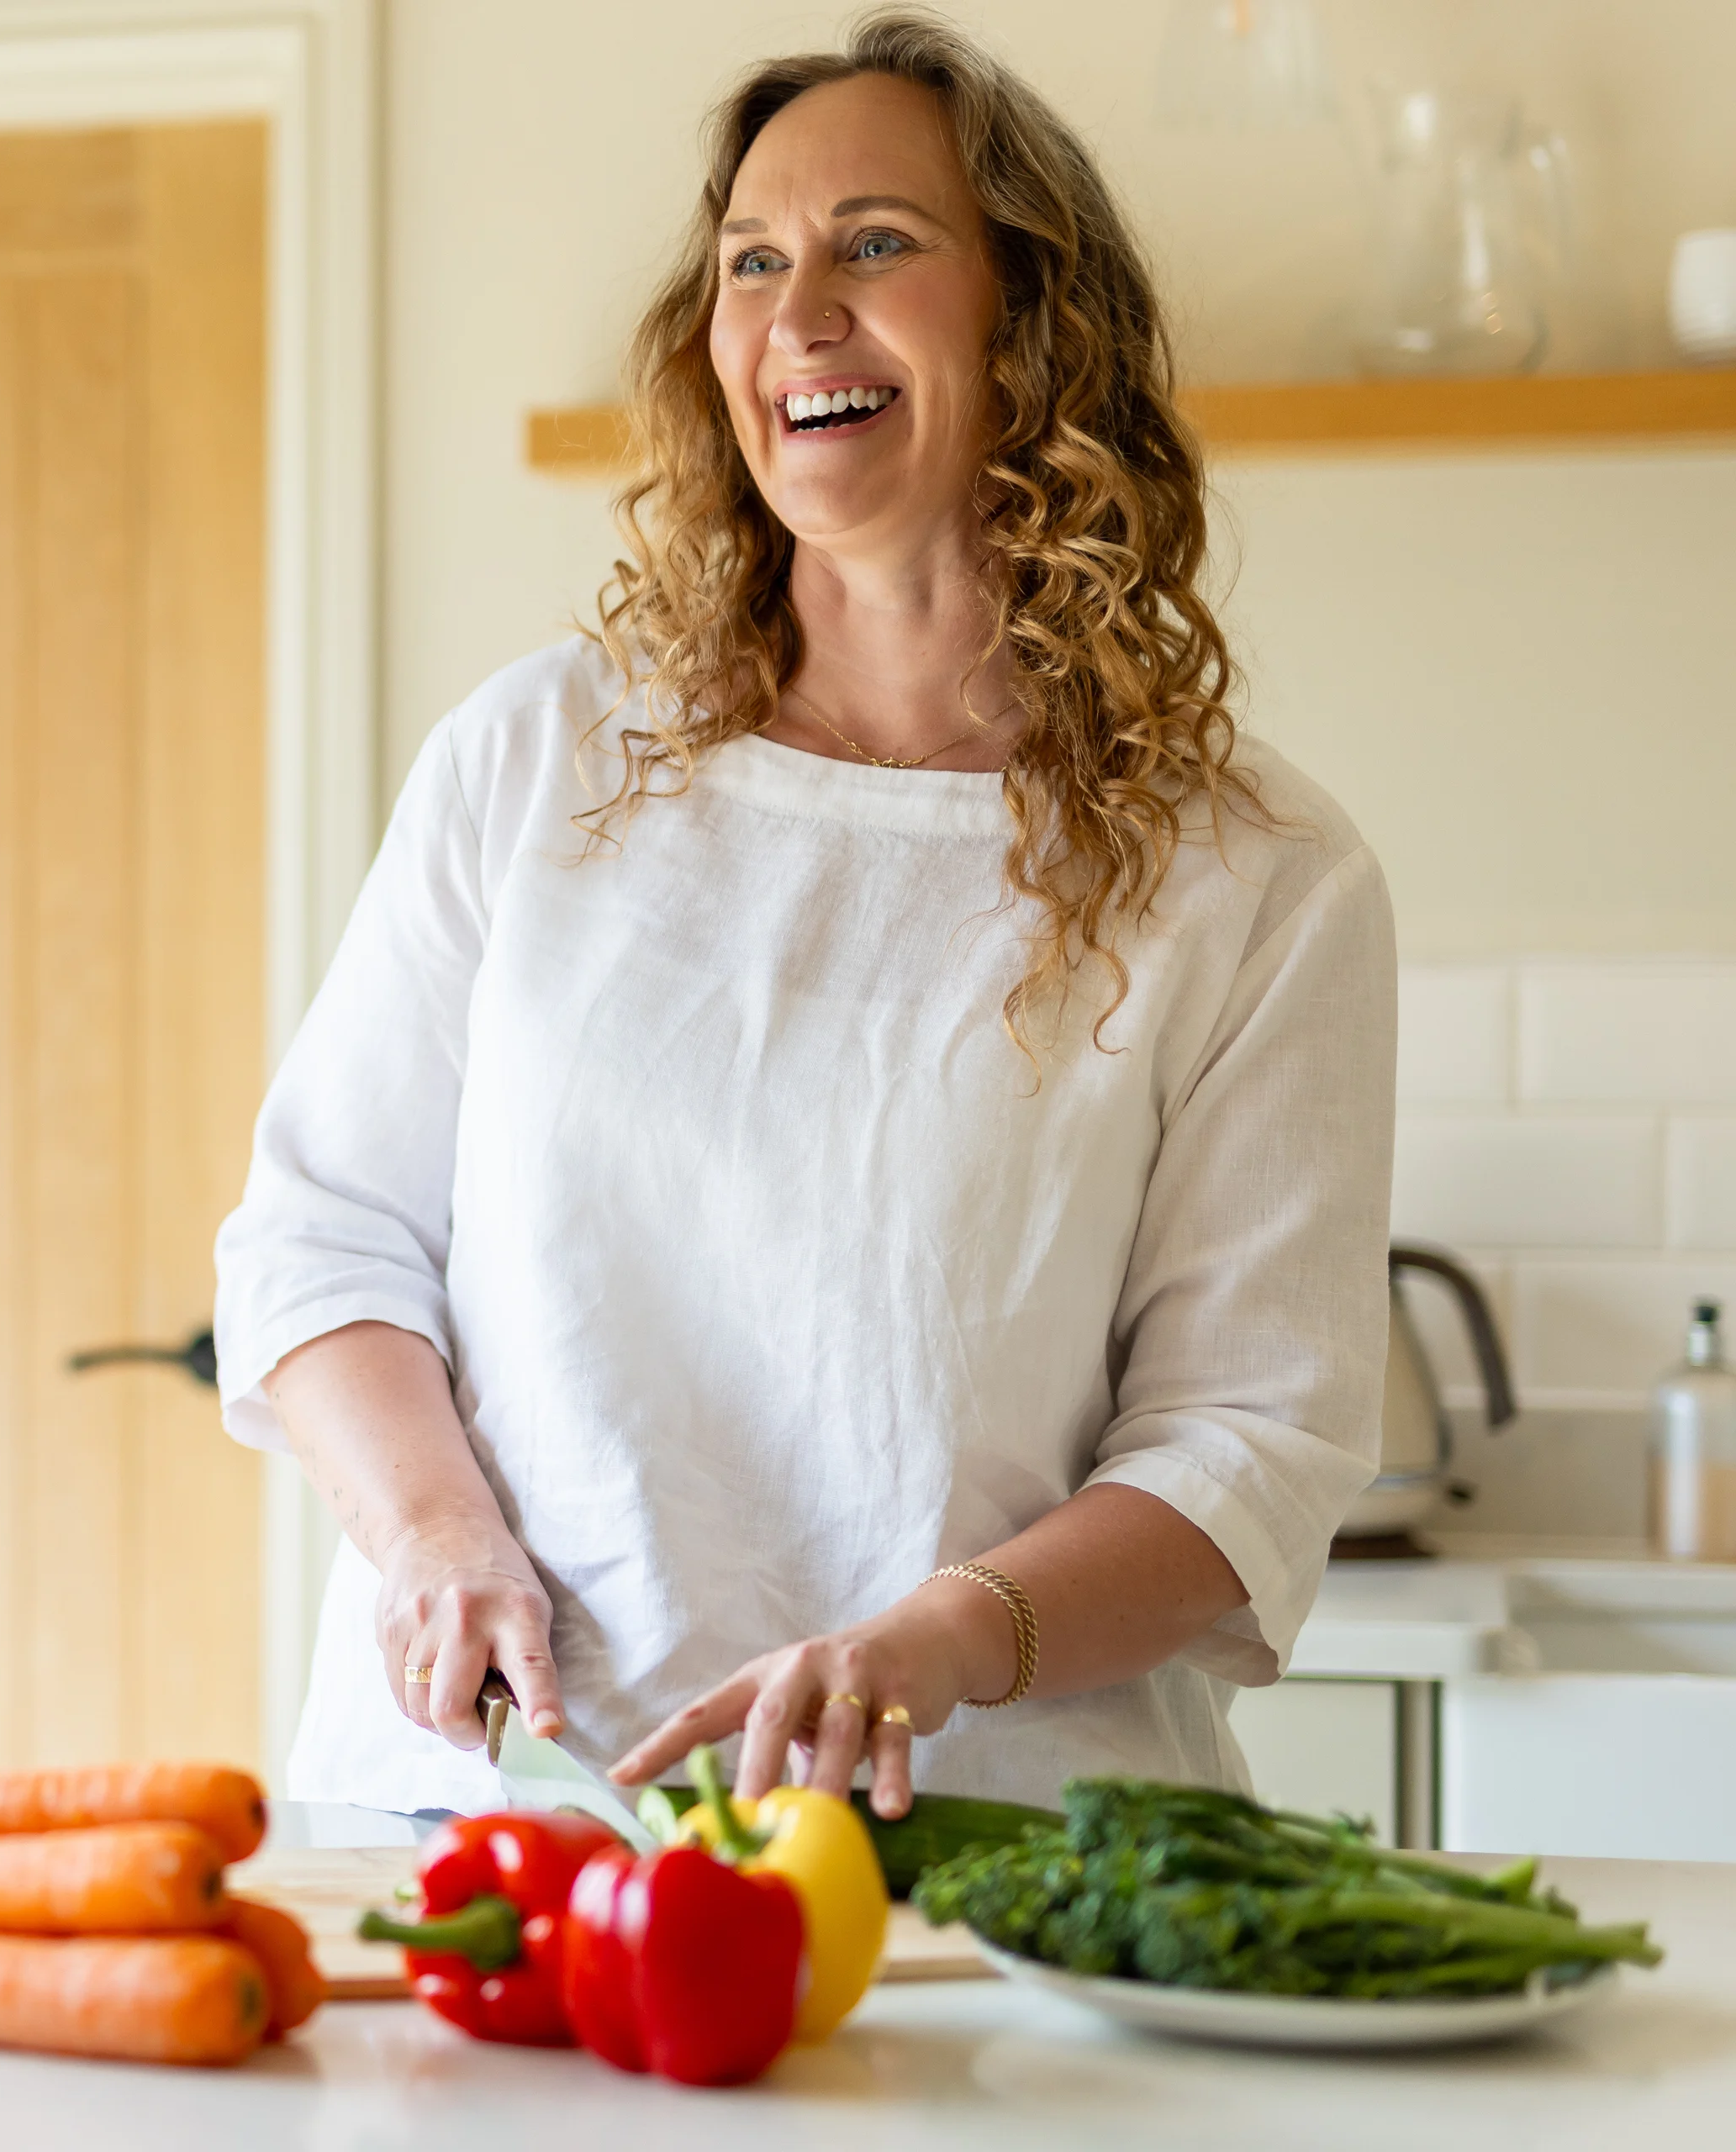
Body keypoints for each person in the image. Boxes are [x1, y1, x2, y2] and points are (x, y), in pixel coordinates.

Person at [214, 8, 1391, 1826]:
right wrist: (434, 1533)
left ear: (1032, 317)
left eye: (875, 243)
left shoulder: (1253, 874)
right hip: (494, 1808)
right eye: (750, 261)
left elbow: (1245, 1448)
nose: (795, 310)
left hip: (981, 1843)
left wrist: (933, 1640)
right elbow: (321, 1242)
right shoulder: (534, 760)